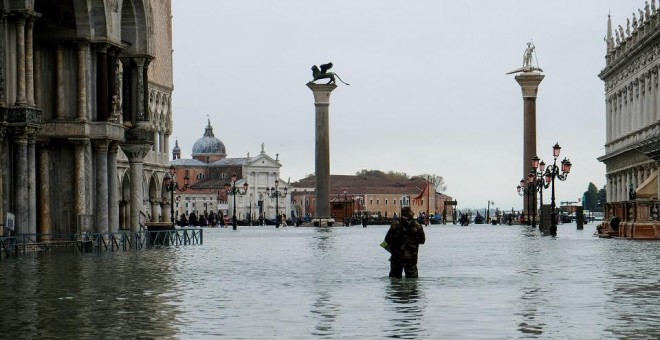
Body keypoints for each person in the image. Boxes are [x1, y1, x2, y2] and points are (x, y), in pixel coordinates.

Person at [384, 207, 426, 278]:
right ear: (411, 213)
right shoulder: (417, 226)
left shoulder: (395, 225)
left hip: (396, 257)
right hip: (411, 258)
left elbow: (387, 239)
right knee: (412, 282)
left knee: (395, 282)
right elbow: (422, 241)